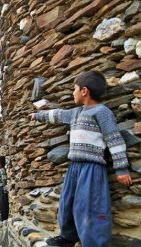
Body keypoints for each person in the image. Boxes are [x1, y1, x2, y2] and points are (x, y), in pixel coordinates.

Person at [30, 71, 133, 247]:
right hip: (74, 167)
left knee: (89, 207)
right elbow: (57, 115)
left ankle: (94, 243)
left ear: (84, 91)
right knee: (67, 202)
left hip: (92, 169)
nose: (73, 93)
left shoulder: (102, 112)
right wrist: (37, 115)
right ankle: (68, 237)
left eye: (74, 89)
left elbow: (114, 140)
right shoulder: (75, 113)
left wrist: (121, 169)